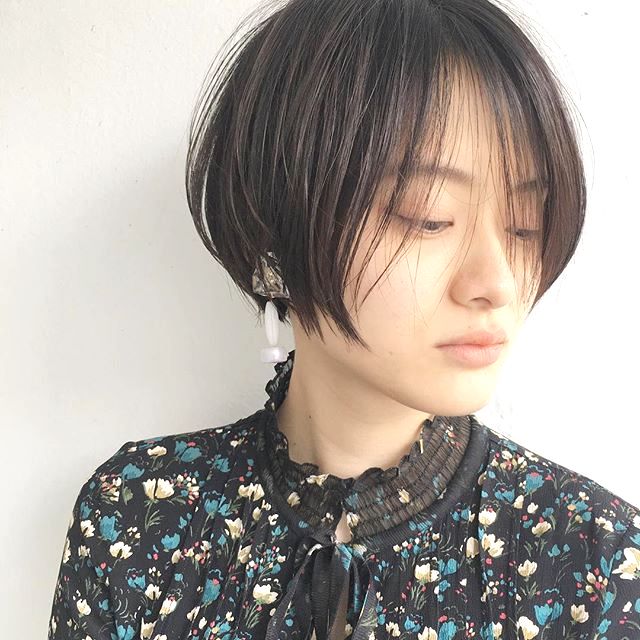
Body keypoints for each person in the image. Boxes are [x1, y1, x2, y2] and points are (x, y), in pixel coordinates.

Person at [48, 0, 640, 638]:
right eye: (428, 216)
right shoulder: (138, 517)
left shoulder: (597, 563)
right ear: (277, 230)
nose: (497, 283)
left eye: (525, 224)